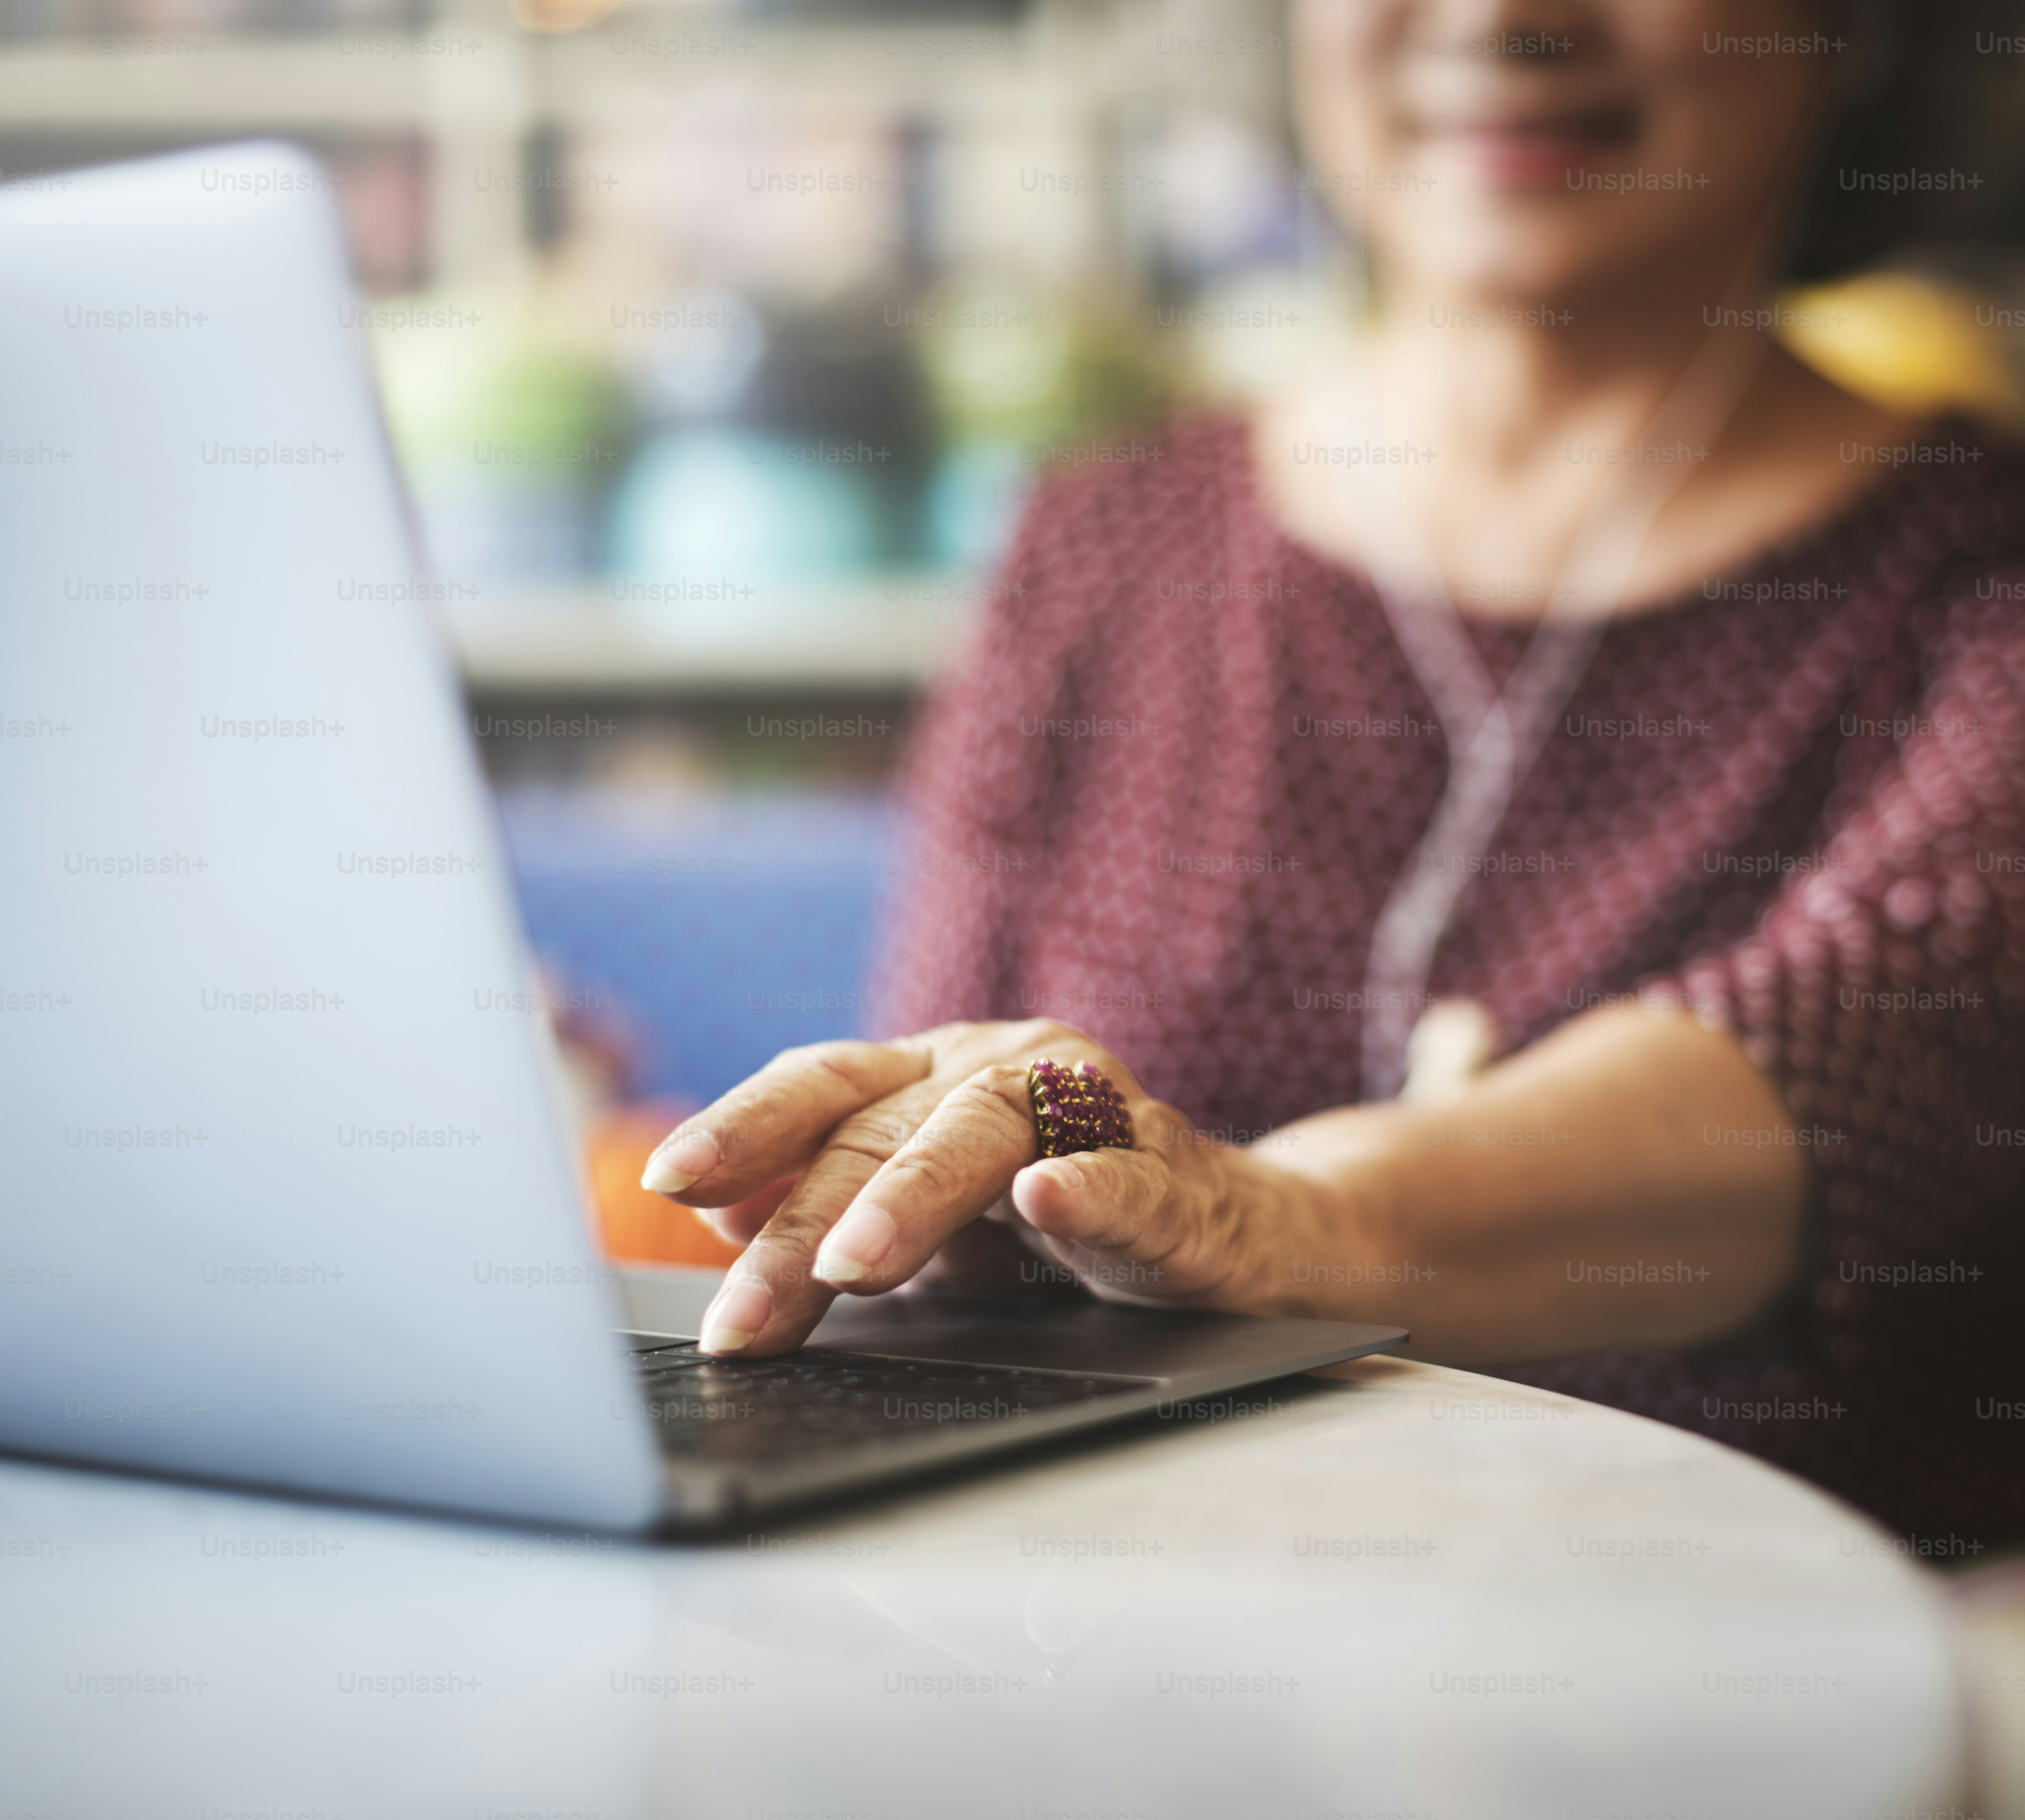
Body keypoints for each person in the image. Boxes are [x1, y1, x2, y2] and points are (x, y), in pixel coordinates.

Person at [644, 0, 2025, 1543]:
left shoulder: (1985, 582)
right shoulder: (1096, 550)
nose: (1501, 20)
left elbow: (1850, 1065)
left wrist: (1273, 1223)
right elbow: (935, 1136)